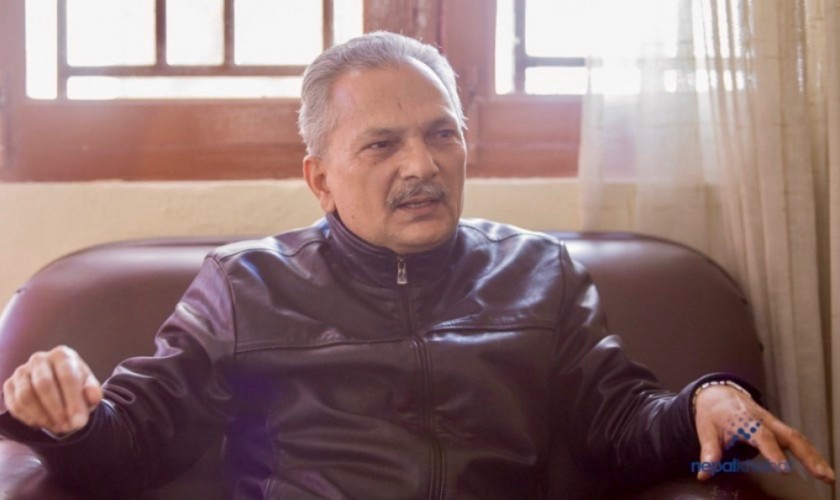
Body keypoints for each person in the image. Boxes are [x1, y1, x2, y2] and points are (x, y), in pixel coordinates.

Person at [0, 31, 834, 499]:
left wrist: (704, 401)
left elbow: (619, 430)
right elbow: (134, 446)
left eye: (442, 135)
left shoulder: (539, 273)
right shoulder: (244, 286)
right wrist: (62, 417)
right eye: (382, 145)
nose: (422, 166)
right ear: (320, 179)